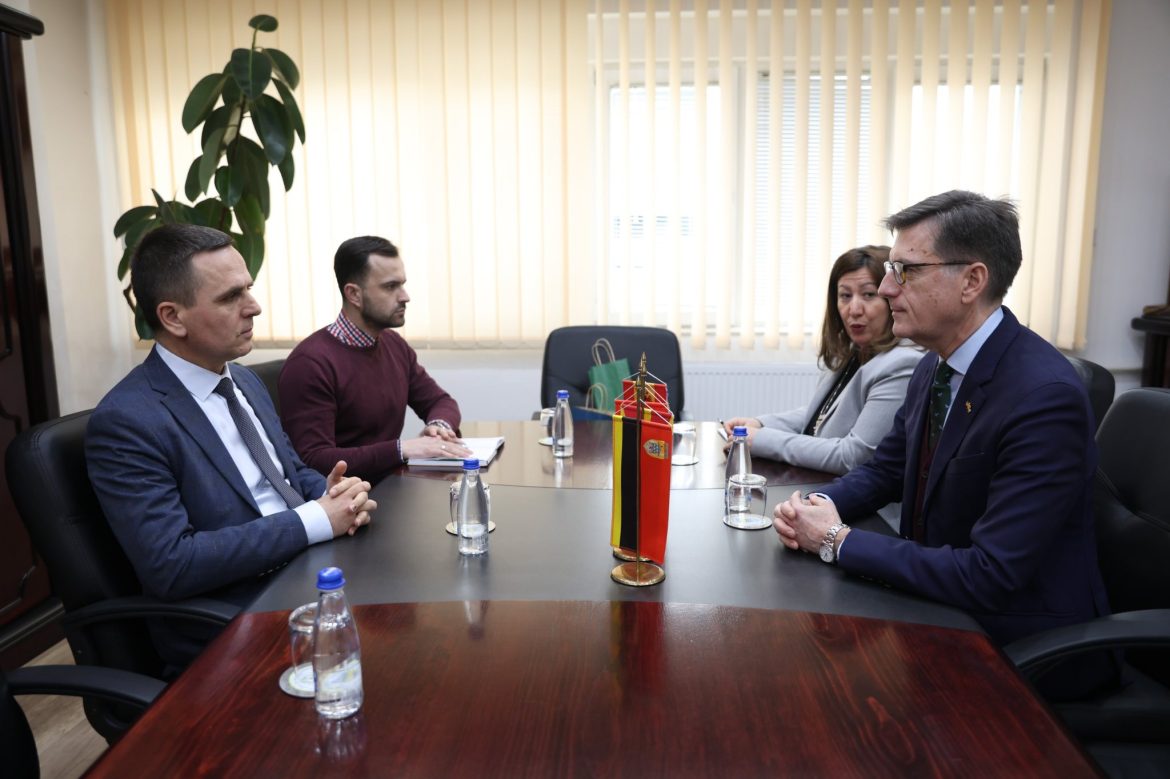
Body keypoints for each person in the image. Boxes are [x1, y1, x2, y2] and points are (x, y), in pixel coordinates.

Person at [773, 191, 1113, 697]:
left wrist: (836, 539)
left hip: (1020, 643)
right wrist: (815, 506)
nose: (886, 288)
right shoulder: (936, 363)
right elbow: (886, 470)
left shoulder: (1044, 398)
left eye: (906, 270)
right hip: (938, 605)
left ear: (972, 281)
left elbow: (991, 573)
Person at [86, 224, 377, 672]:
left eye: (249, 289)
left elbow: (288, 473)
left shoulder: (243, 380)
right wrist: (315, 519)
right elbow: (173, 565)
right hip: (233, 626)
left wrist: (335, 493)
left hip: (305, 577)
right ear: (173, 317)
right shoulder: (127, 422)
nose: (254, 307)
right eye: (230, 297)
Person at [279, 236, 471, 482]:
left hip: (394, 485)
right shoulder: (310, 363)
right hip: (349, 498)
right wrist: (401, 450)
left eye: (402, 284)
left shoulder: (393, 344)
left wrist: (439, 428)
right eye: (391, 287)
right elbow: (314, 459)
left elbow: (440, 401)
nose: (405, 296)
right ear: (354, 294)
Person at [723, 246, 922, 475]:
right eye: (845, 296)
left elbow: (853, 457)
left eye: (869, 294)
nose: (854, 309)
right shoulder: (853, 352)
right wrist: (760, 424)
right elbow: (822, 416)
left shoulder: (902, 363)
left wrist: (761, 440)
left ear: (891, 299)